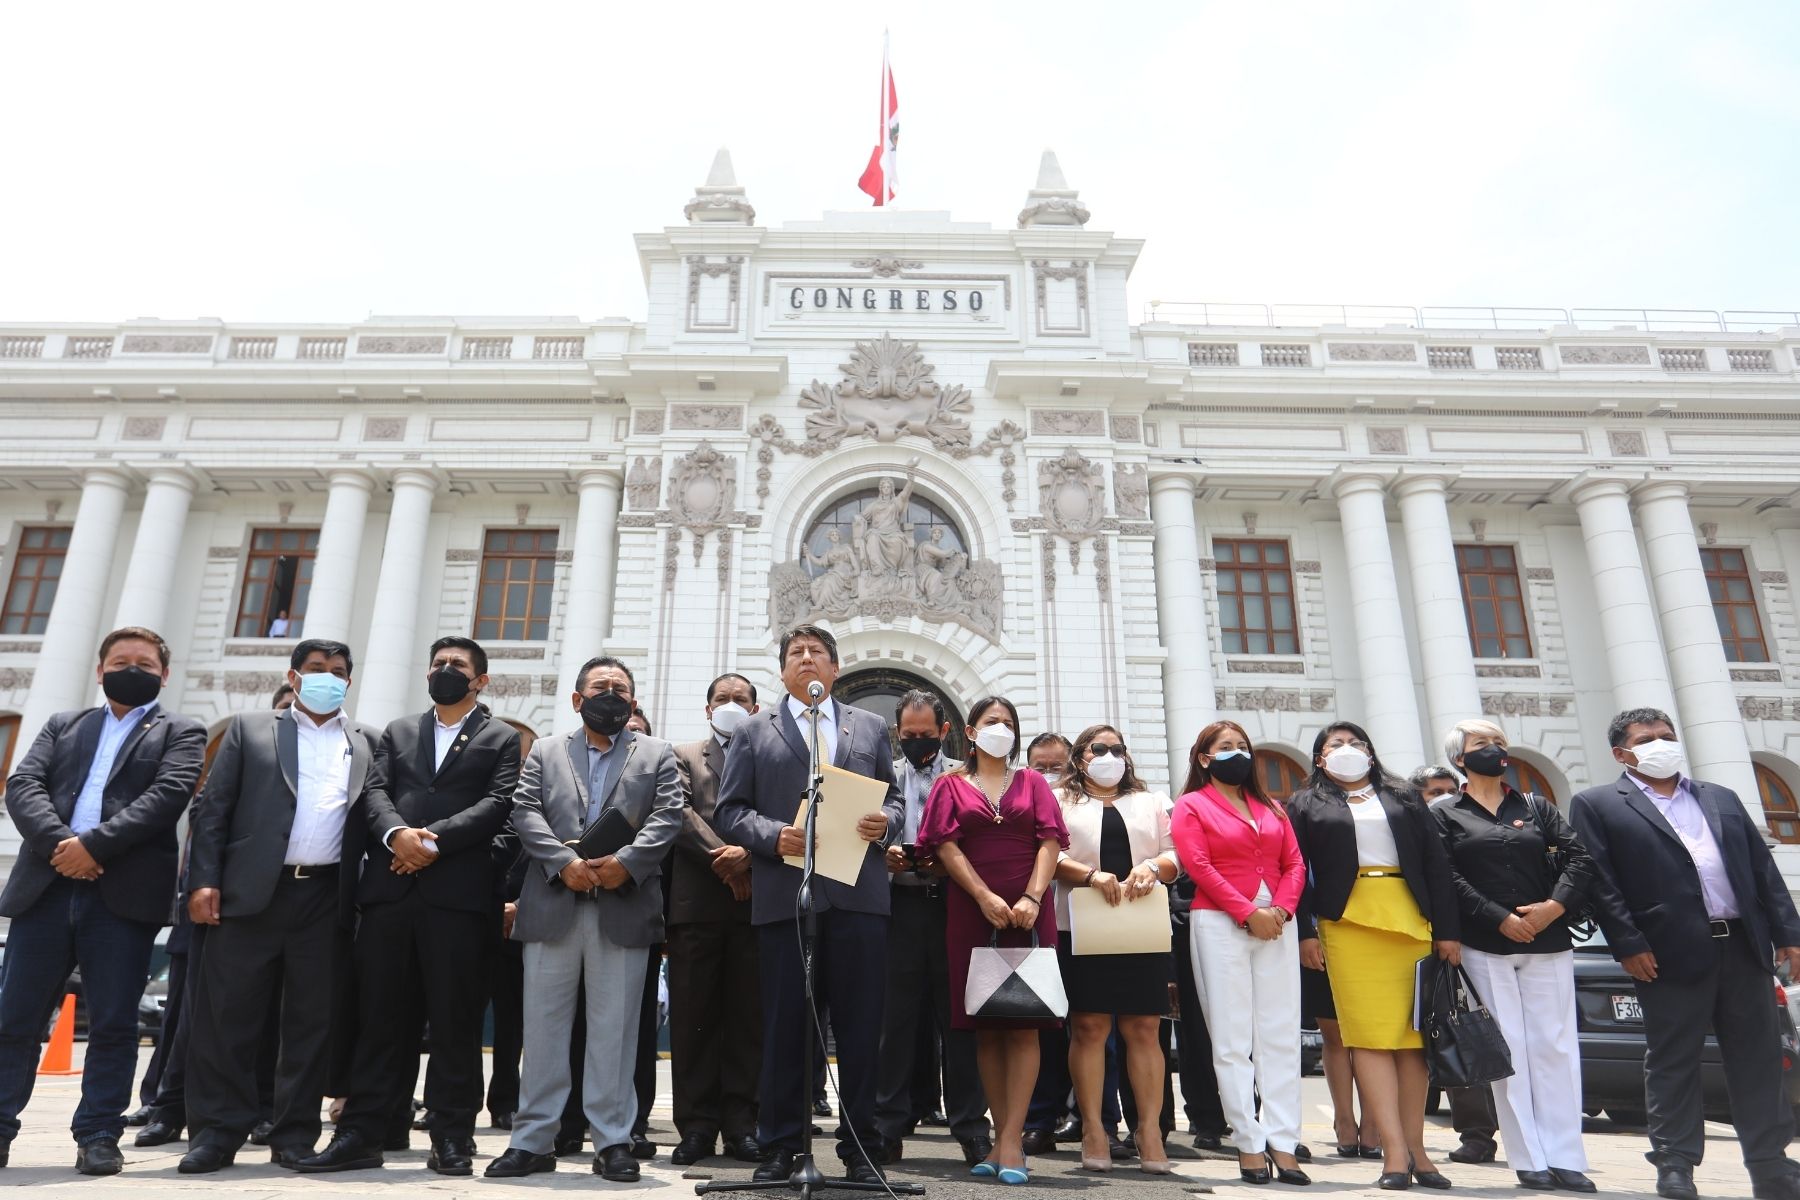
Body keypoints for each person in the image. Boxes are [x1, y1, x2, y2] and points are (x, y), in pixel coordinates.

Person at [296, 636, 521, 1175]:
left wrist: (432, 842)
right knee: (381, 1020)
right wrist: (398, 835)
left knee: (455, 1024)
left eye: (458, 665)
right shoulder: (398, 731)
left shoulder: (502, 737)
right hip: (391, 896)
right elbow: (375, 792)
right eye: (439, 663)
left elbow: (499, 804)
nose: (445, 670)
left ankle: (451, 1137)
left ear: (480, 680)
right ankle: (363, 1131)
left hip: (459, 902)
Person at [1571, 708, 1800, 1200]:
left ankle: (1771, 1165)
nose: (1660, 744)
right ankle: (1675, 1165)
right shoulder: (1598, 804)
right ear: (1621, 753)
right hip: (1665, 954)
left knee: (1758, 1060)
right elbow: (1601, 882)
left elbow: (1762, 871)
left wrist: (1789, 933)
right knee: (1673, 1061)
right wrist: (1628, 944)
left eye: (1667, 736)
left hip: (1742, 946)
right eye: (1647, 738)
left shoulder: (1720, 797)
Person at [0, 628, 205, 1175]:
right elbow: (23, 785)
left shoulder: (182, 731)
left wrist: (92, 847)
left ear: (164, 673)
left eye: (143, 662)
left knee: (114, 1023)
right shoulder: (64, 724)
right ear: (99, 670)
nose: (130, 669)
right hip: (46, 888)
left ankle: (97, 1134)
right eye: (120, 661)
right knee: (14, 1020)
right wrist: (61, 846)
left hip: (121, 895)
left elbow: (167, 797)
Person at [713, 624, 904, 1186]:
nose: (806, 659)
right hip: (785, 898)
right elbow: (730, 811)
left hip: (858, 896)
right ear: (781, 671)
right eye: (795, 653)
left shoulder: (868, 725)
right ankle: (780, 1146)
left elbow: (894, 798)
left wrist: (885, 822)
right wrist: (773, 836)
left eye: (816, 652)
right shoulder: (754, 730)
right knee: (786, 1026)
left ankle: (861, 1147)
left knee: (861, 1027)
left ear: (834, 668)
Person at [180, 639, 378, 1174]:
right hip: (249, 895)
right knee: (228, 1018)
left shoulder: (367, 742)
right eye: (316, 670)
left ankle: (294, 1134)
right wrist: (203, 881)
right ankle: (217, 1133)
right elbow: (213, 810)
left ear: (349, 682)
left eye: (338, 671)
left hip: (325, 897)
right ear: (294, 677)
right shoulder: (249, 728)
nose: (327, 678)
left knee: (310, 1024)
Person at [483, 656, 682, 1183]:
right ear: (577, 700)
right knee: (543, 1029)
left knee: (614, 1033)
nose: (610, 694)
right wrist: (563, 862)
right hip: (553, 906)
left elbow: (667, 817)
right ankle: (532, 1141)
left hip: (623, 907)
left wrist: (626, 863)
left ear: (633, 701)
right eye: (601, 687)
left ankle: (613, 1141)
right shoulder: (546, 751)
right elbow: (524, 810)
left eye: (621, 688)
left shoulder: (657, 754)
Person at [1289, 721, 1460, 1191]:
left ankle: (1419, 1149)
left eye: (1355, 742)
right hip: (1346, 925)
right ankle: (1393, 1151)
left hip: (1409, 918)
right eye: (1335, 745)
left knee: (1412, 1041)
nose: (1347, 750)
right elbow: (1295, 872)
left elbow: (1436, 864)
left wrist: (1447, 931)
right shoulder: (1305, 803)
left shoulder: (1403, 795)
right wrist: (1305, 933)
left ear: (1370, 751)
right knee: (1366, 1038)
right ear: (1320, 759)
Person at [1432, 719, 1596, 1193]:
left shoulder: (1535, 805)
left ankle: (1566, 1156)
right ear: (1460, 758)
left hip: (1548, 942)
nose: (1494, 750)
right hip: (1486, 944)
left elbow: (1579, 858)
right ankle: (1529, 1159)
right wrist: (1498, 917)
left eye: (1499, 742)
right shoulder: (1445, 813)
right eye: (1482, 744)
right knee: (1510, 1050)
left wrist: (1553, 907)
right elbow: (1446, 878)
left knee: (1556, 1048)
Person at [915, 696, 1066, 1186]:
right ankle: (1001, 1135)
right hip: (971, 911)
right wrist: (981, 896)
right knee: (987, 1023)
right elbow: (943, 844)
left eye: (1008, 723)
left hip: (1029, 911)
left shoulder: (1033, 782)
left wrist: (1033, 897)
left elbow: (1050, 840)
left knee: (1023, 1024)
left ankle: (1012, 1142)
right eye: (990, 722)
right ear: (970, 731)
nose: (1000, 729)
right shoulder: (950, 785)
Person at [1172, 721, 1308, 1186]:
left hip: (1278, 925)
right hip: (1221, 923)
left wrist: (1284, 910)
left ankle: (1284, 1143)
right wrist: (1248, 911)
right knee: (1232, 1041)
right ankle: (1248, 1143)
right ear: (1204, 758)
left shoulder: (1271, 806)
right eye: (1225, 747)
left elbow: (1295, 863)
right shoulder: (1190, 805)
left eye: (1242, 746)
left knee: (1281, 1035)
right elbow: (1198, 865)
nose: (1237, 753)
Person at [1051, 724, 1177, 1176]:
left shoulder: (1154, 801)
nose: (1108, 756)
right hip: (1081, 924)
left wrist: (1152, 868)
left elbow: (1176, 853)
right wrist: (1088, 875)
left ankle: (1148, 1131)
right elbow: (1047, 854)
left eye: (1116, 749)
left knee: (1144, 1028)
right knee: (1088, 1027)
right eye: (1098, 749)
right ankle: (1093, 1128)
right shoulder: (1060, 800)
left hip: (1140, 925)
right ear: (1080, 757)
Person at [876, 690, 992, 1168]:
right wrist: (884, 854)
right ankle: (887, 1127)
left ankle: (970, 1127)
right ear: (897, 733)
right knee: (894, 1023)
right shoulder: (884, 775)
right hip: (897, 905)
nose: (917, 742)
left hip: (953, 906)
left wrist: (950, 863)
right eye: (909, 735)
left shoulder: (966, 777)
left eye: (926, 735)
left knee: (960, 1020)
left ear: (945, 732)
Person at [667, 673, 764, 1166]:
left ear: (755, 706)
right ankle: (697, 1127)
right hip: (697, 908)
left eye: (740, 699)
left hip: (756, 907)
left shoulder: (772, 752)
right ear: (708, 709)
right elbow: (676, 813)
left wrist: (749, 854)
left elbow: (785, 813)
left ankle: (742, 1126)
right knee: (692, 1021)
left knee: (748, 1021)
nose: (731, 705)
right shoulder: (682, 755)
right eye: (722, 699)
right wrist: (724, 861)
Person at [1409, 765, 1496, 1167]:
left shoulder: (1469, 827)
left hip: (1479, 943)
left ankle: (1490, 1133)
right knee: (1450, 1036)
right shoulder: (1409, 835)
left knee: (1477, 1034)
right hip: (1429, 946)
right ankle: (1473, 1134)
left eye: (1449, 790)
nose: (1443, 798)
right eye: (1433, 792)